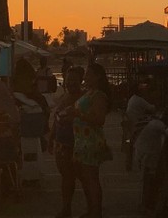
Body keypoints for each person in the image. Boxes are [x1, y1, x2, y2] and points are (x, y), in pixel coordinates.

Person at [72, 63, 112, 218]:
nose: (85, 76)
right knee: (85, 178)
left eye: (89, 74)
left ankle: (96, 212)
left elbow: (99, 119)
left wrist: (78, 114)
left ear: (98, 77)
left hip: (91, 141)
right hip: (82, 140)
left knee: (91, 179)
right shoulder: (89, 93)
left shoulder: (99, 96)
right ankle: (91, 209)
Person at [48, 66, 85, 218]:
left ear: (81, 81)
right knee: (66, 178)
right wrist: (51, 138)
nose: (71, 84)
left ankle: (93, 209)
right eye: (68, 81)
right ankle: (66, 208)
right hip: (62, 143)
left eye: (74, 81)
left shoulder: (83, 99)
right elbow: (56, 121)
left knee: (85, 178)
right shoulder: (64, 97)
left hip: (78, 143)